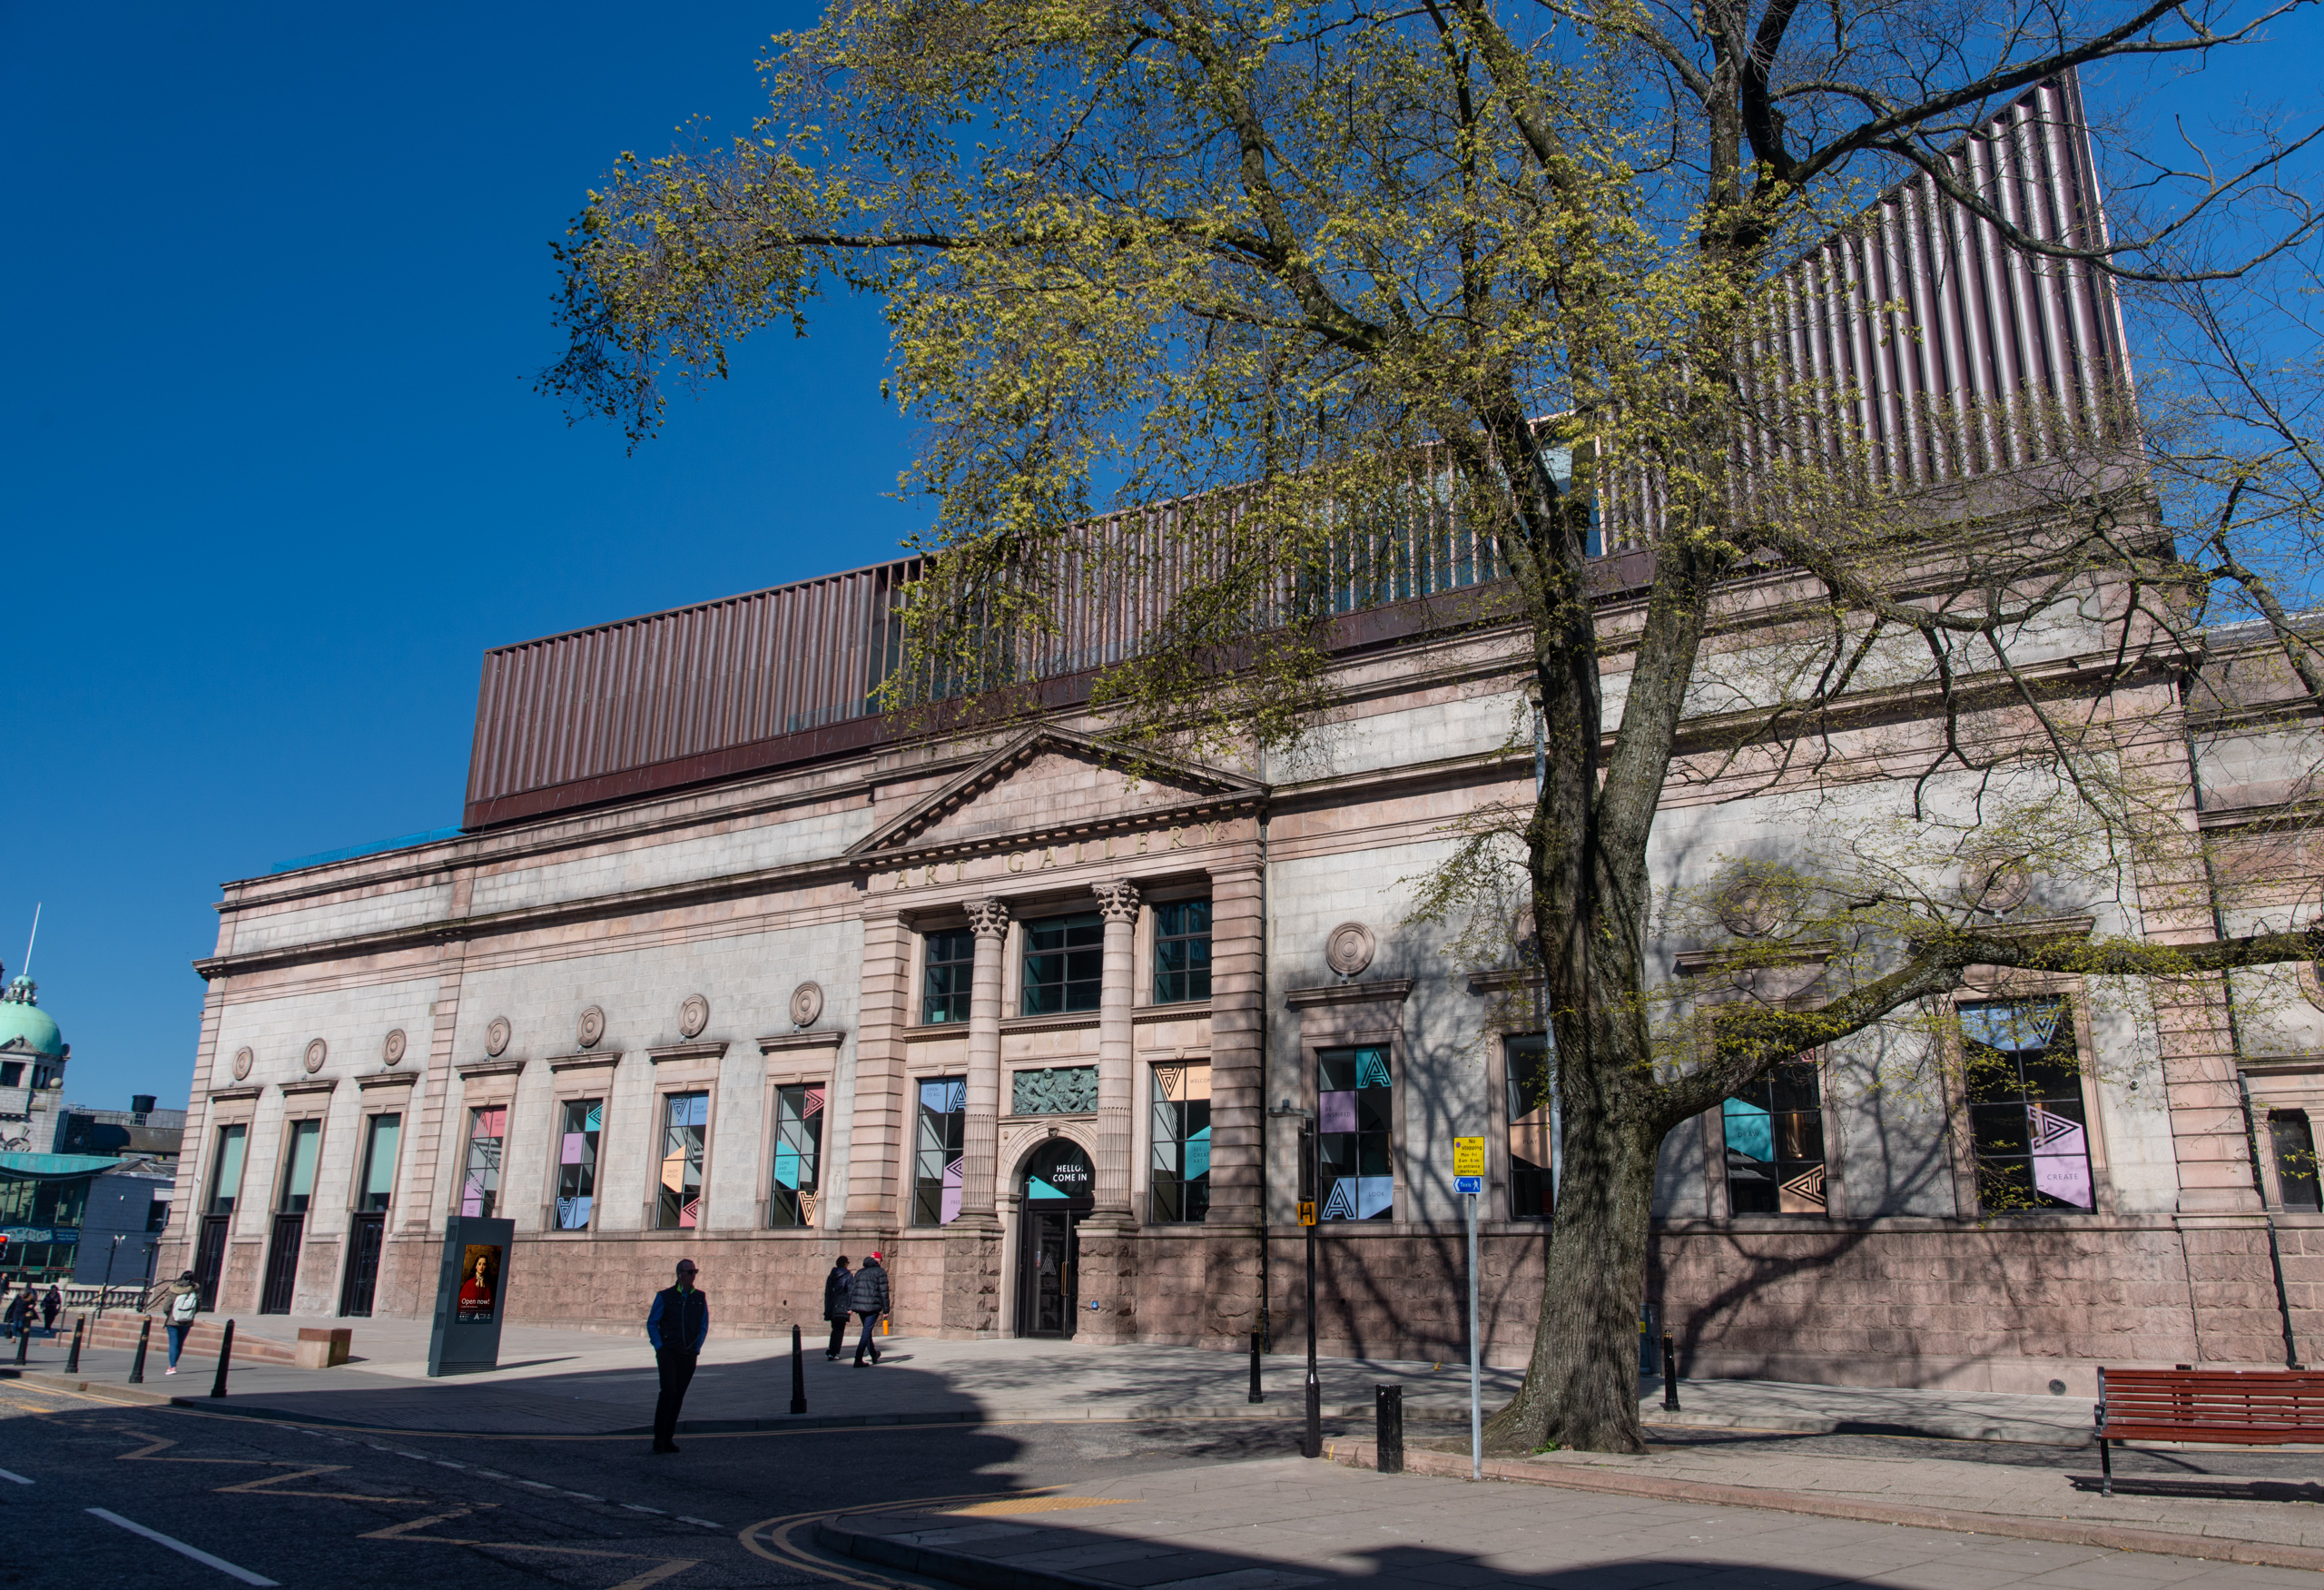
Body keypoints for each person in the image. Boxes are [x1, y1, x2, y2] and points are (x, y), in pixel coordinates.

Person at [645, 1259, 707, 1454]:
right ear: (679, 1274)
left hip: (688, 1353)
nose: (693, 1275)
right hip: (668, 1352)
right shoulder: (665, 1296)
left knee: (678, 1396)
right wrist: (659, 1346)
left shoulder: (699, 1297)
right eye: (690, 1272)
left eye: (695, 1272)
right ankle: (658, 1438)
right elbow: (652, 1322)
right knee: (668, 1392)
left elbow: (703, 1325)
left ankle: (668, 1439)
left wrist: (696, 1347)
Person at [848, 1252, 890, 1367]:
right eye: (880, 1260)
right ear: (877, 1260)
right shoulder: (880, 1272)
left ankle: (873, 1354)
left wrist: (850, 1306)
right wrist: (886, 1310)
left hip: (860, 1306)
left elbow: (852, 1289)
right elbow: (884, 1292)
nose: (880, 1262)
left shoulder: (860, 1272)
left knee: (867, 1331)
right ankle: (858, 1358)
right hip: (872, 1306)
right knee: (866, 1331)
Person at [160, 1271, 202, 1375]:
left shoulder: (174, 1289)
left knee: (173, 1343)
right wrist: (189, 1315)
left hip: (173, 1320)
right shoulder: (195, 1290)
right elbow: (197, 1306)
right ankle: (172, 1365)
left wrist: (170, 1315)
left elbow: (166, 1307)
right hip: (187, 1321)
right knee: (179, 1343)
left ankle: (172, 1366)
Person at [822, 1255, 853, 1360]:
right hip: (842, 1305)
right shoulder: (848, 1275)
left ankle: (831, 1350)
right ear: (845, 1263)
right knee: (839, 1330)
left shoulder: (831, 1275)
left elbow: (828, 1293)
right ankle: (834, 1352)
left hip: (832, 1305)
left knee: (835, 1328)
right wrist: (850, 1307)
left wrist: (827, 1307)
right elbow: (850, 1292)